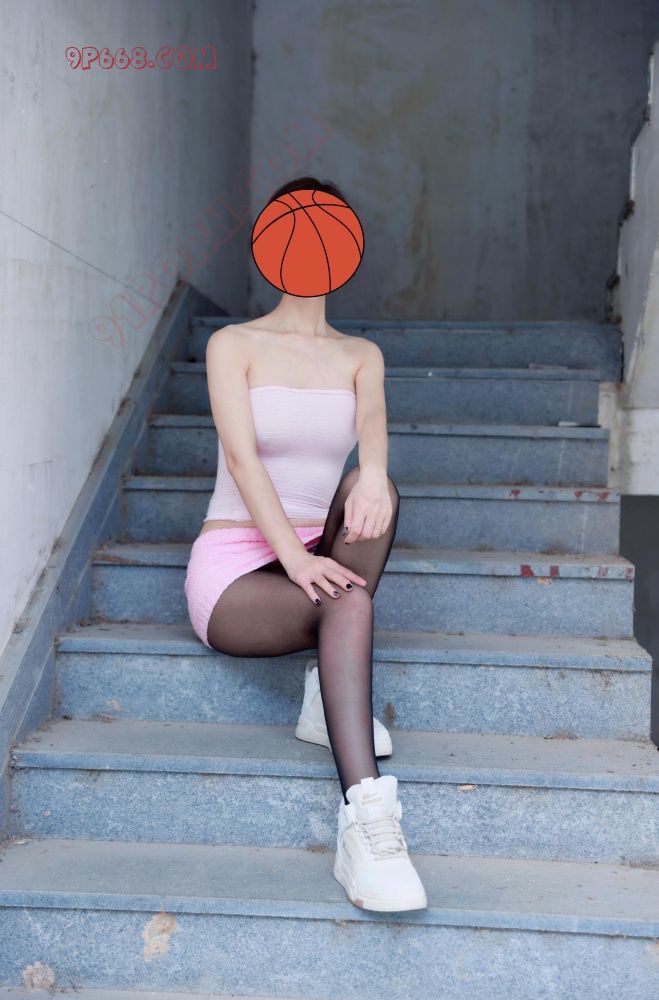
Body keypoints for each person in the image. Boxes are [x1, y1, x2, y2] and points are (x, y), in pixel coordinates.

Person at [184, 175, 427, 912]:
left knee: (374, 489)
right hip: (236, 572)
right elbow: (241, 458)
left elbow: (372, 425)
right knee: (348, 603)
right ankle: (366, 819)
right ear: (270, 248)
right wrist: (292, 558)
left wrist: (374, 472)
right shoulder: (233, 344)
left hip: (317, 549)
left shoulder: (361, 355)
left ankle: (328, 699)